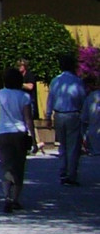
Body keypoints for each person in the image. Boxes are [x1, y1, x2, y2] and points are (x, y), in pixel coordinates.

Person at [0, 66, 35, 213]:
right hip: (19, 133)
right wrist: (33, 138)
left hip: (2, 133)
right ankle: (15, 199)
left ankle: (6, 196)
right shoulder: (24, 97)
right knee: (19, 166)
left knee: (5, 165)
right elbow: (28, 119)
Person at [47, 53, 86, 185]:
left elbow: (50, 99)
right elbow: (82, 99)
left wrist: (48, 115)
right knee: (73, 146)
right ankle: (71, 174)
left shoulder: (55, 81)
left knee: (62, 145)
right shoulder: (77, 81)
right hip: (73, 114)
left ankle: (63, 172)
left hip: (59, 114)